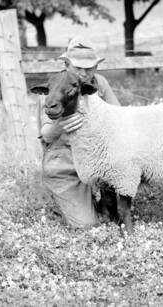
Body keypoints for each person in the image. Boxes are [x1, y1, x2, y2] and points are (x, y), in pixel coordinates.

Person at [40, 40, 120, 229]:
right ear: (66, 64)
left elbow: (119, 117)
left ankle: (103, 201)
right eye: (78, 68)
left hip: (95, 157)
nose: (84, 73)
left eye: (89, 68)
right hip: (67, 163)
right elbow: (47, 135)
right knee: (87, 224)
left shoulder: (99, 83)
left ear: (96, 66)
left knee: (113, 214)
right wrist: (61, 125)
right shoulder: (54, 86)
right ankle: (66, 200)